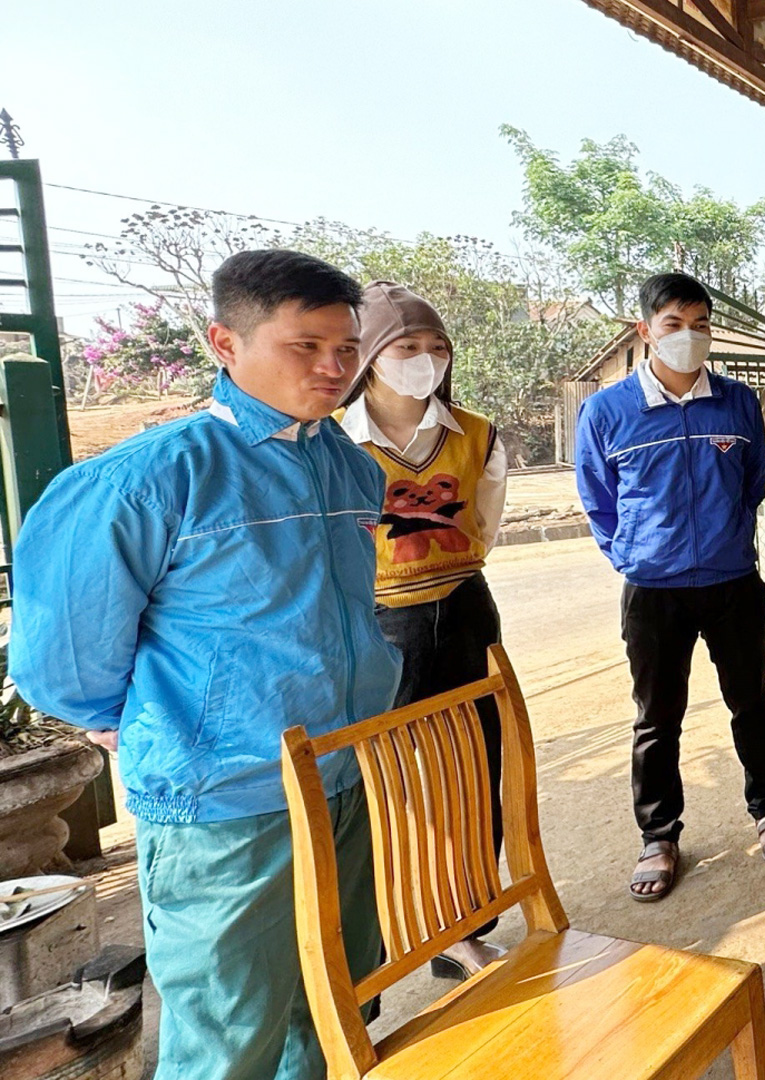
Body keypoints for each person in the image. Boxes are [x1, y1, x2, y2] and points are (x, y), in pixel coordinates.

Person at [11, 250, 401, 1079]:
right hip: (225, 804)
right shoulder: (150, 480)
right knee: (230, 1036)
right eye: (306, 346)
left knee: (334, 1006)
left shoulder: (349, 466)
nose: (335, 367)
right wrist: (146, 723)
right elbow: (64, 661)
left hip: (338, 778)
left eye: (346, 345)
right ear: (226, 343)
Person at [575, 271, 765, 903]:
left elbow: (752, 480)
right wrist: (633, 554)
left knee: (751, 700)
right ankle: (659, 835)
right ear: (646, 331)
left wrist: (726, 535)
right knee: (657, 716)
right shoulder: (607, 410)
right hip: (653, 590)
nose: (689, 337)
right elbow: (597, 498)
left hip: (731, 580)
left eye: (700, 325)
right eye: (674, 325)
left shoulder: (736, 402)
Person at [336, 281, 507, 979]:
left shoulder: (476, 433)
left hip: (465, 609)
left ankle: (466, 926)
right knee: (394, 780)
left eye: (437, 347)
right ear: (372, 356)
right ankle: (401, 925)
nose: (425, 359)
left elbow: (486, 524)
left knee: (476, 766)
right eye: (407, 347)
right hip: (381, 624)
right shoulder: (334, 444)